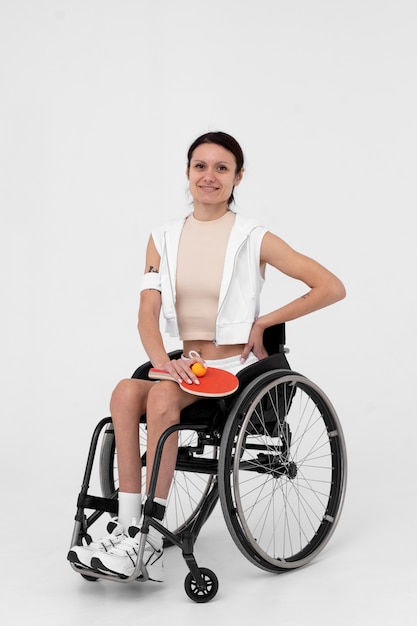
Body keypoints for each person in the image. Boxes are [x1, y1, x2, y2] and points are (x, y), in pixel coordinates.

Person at [68, 131, 346, 582]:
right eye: (201, 166)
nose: (209, 177)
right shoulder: (162, 237)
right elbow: (147, 311)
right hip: (183, 367)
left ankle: (150, 539)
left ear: (238, 177)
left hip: (232, 371)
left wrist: (264, 322)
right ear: (187, 172)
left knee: (160, 400)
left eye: (221, 168)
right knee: (124, 392)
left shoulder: (253, 237)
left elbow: (331, 287)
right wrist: (164, 360)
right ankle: (127, 522)